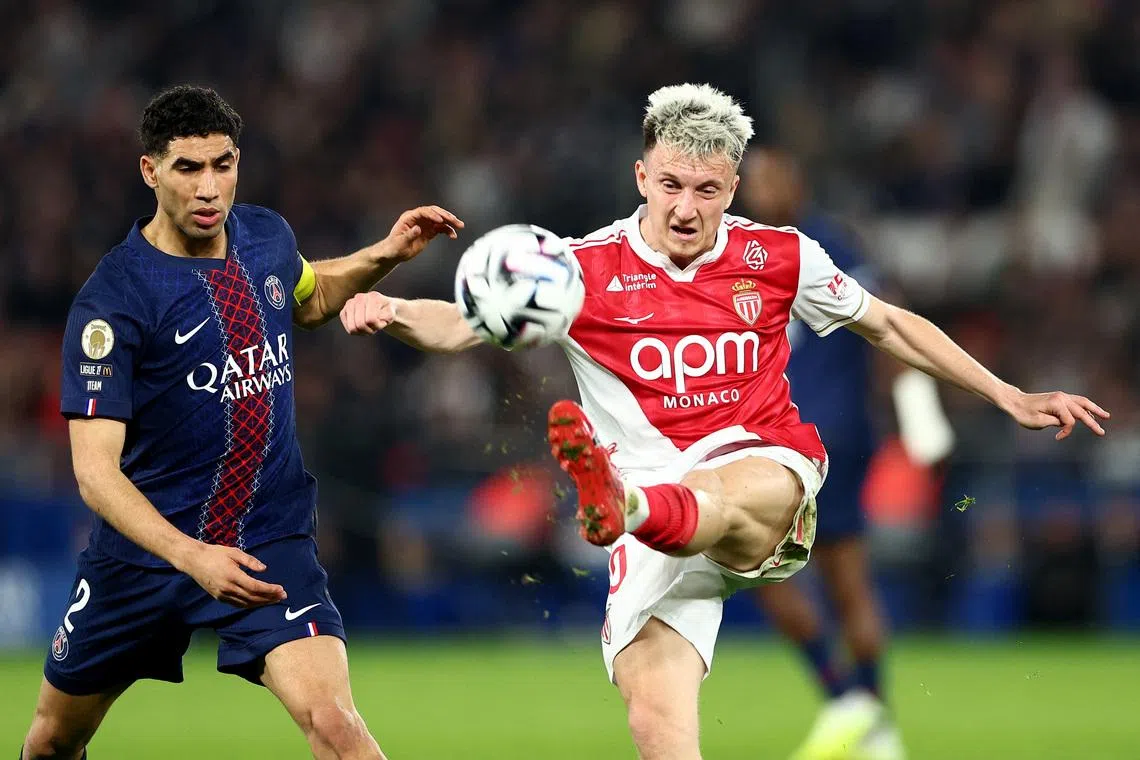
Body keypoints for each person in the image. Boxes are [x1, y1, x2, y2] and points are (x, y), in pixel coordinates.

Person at [338, 83, 1109, 760]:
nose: (684, 206)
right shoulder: (581, 269)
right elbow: (468, 323)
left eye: (706, 189)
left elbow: (892, 326)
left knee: (735, 486)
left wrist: (1008, 394)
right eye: (669, 183)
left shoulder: (782, 257)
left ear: (733, 187)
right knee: (656, 718)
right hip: (650, 535)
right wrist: (392, 308)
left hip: (763, 475)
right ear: (640, 176)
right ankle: (637, 506)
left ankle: (629, 503)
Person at [20, 85, 462, 760]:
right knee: (53, 740)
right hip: (146, 556)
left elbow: (308, 299)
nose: (209, 188)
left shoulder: (264, 237)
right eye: (188, 168)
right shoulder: (114, 302)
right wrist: (193, 557)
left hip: (265, 537)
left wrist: (387, 254)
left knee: (338, 728)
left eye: (222, 165)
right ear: (150, 171)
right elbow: (94, 474)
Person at [739, 148, 955, 760]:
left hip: (819, 434)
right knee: (829, 581)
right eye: (752, 182)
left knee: (778, 569)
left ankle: (848, 702)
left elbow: (888, 329)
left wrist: (918, 418)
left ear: (798, 183)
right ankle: (876, 727)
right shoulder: (750, 249)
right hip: (785, 434)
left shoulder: (826, 245)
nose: (760, 191)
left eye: (770, 178)